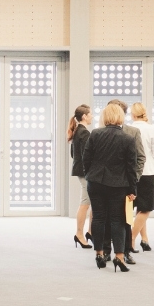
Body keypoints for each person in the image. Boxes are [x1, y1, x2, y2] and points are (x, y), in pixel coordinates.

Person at [82, 104, 137, 272]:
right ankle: (119, 256)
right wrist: (132, 189)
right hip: (119, 185)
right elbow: (131, 167)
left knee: (98, 218)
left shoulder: (95, 134)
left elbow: (86, 159)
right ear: (121, 117)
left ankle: (99, 253)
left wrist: (90, 174)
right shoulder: (128, 139)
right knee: (117, 220)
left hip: (96, 182)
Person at [104, 99, 146, 265]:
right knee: (106, 217)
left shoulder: (132, 132)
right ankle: (106, 250)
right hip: (106, 183)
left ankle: (126, 251)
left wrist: (133, 180)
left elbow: (140, 157)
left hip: (126, 183)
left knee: (125, 219)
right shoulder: (100, 131)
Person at [129, 103, 154, 252]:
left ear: (132, 114)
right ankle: (131, 238)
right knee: (146, 208)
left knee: (137, 208)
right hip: (148, 171)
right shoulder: (152, 129)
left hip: (131, 173)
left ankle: (145, 239)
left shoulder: (127, 129)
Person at [67, 104, 93, 249]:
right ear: (84, 116)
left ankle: (89, 232)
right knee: (85, 203)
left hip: (81, 170)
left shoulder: (78, 131)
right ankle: (79, 234)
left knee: (89, 202)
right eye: (90, 114)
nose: (92, 116)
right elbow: (87, 156)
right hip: (85, 172)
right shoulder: (84, 133)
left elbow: (73, 154)